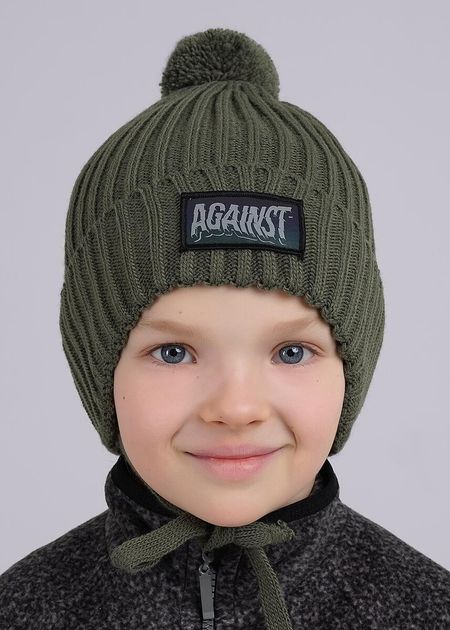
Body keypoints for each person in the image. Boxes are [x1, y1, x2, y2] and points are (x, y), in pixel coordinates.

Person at [1, 27, 449, 630]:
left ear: (352, 367)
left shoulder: (427, 610)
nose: (236, 409)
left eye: (292, 352)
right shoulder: (23, 609)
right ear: (98, 371)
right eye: (173, 352)